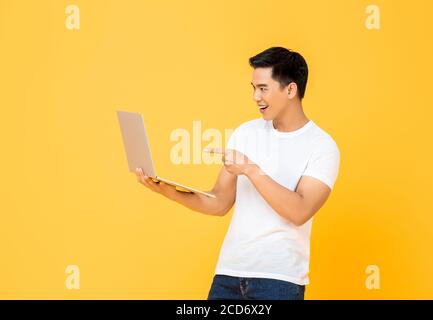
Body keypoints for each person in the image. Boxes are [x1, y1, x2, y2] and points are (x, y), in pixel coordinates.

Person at [135, 46, 340, 300]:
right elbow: (219, 203)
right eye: (253, 88)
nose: (256, 96)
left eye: (263, 88)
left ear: (290, 90)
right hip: (228, 275)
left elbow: (299, 211)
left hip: (278, 281)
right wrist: (169, 191)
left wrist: (251, 170)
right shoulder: (246, 133)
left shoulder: (322, 146)